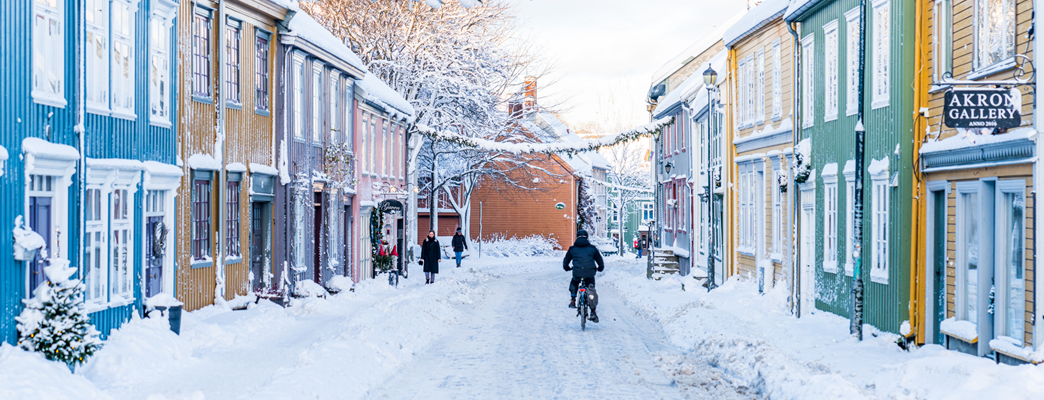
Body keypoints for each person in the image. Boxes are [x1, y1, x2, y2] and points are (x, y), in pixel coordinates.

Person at [563, 229, 605, 323]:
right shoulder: (592, 248)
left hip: (577, 272)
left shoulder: (572, 249)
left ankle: (573, 300)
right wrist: (600, 268)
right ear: (587, 238)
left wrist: (566, 267)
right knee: (591, 289)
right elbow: (599, 260)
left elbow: (566, 261)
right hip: (590, 273)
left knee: (574, 281)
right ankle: (593, 311)